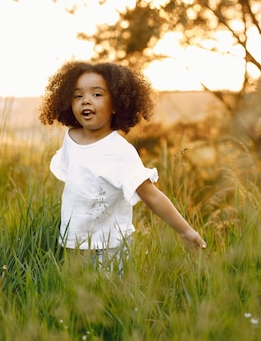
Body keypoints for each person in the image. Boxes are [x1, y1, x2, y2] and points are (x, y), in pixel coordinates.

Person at [39, 61, 206, 270]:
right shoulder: (71, 138)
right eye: (78, 95)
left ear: (116, 103)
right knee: (78, 295)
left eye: (97, 94)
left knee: (107, 297)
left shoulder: (120, 152)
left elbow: (151, 195)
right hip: (75, 241)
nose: (86, 101)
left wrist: (185, 231)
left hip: (110, 246)